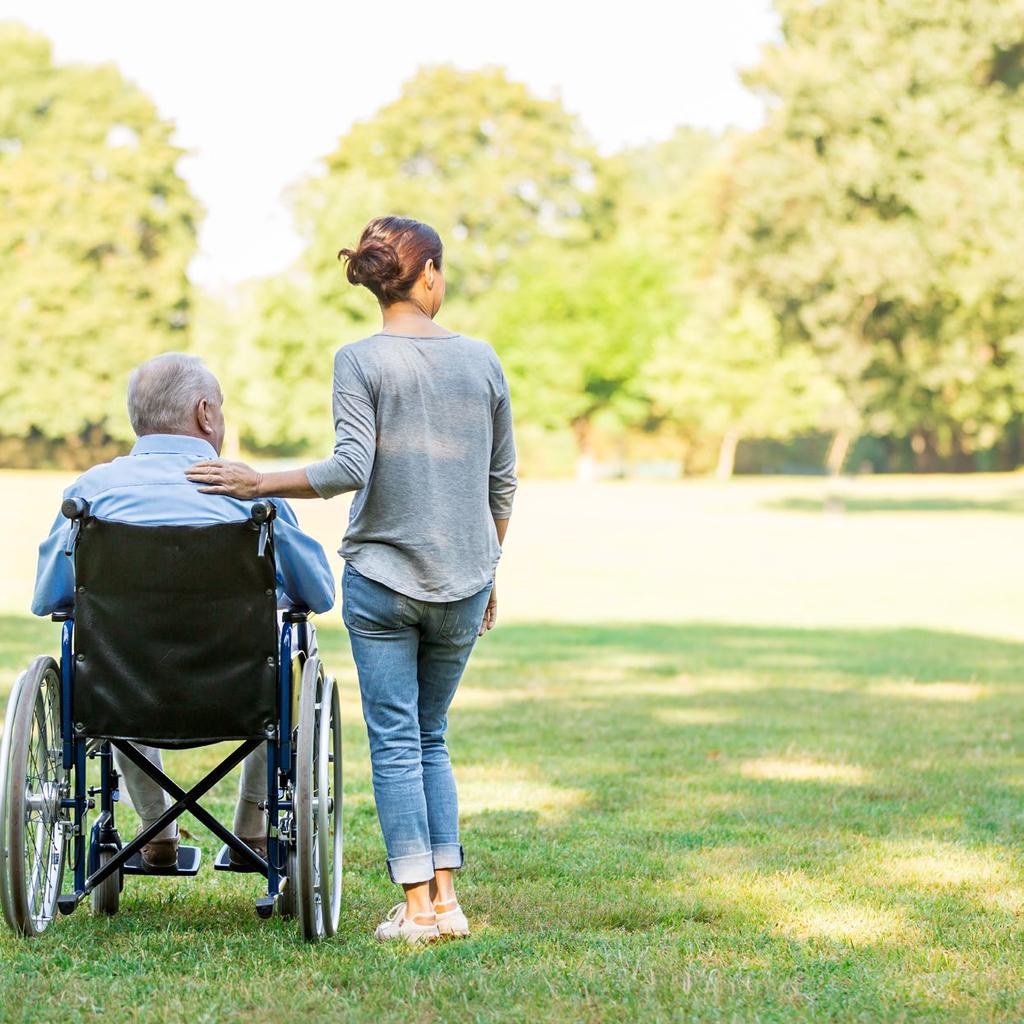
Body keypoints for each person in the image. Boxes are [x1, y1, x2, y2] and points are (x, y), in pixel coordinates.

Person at [186, 215, 517, 944]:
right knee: (431, 735)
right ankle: (447, 899)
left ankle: (418, 909)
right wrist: (489, 571)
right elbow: (502, 485)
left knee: (397, 739)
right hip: (464, 579)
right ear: (427, 274)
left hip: (382, 579)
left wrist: (257, 480)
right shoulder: (484, 360)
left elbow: (349, 468)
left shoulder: (357, 360)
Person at [32, 353, 335, 870]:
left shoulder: (91, 494)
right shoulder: (250, 498)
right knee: (287, 658)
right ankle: (254, 834)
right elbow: (321, 595)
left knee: (111, 653)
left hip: (123, 692)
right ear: (205, 414)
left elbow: (49, 601)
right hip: (240, 693)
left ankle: (156, 836)